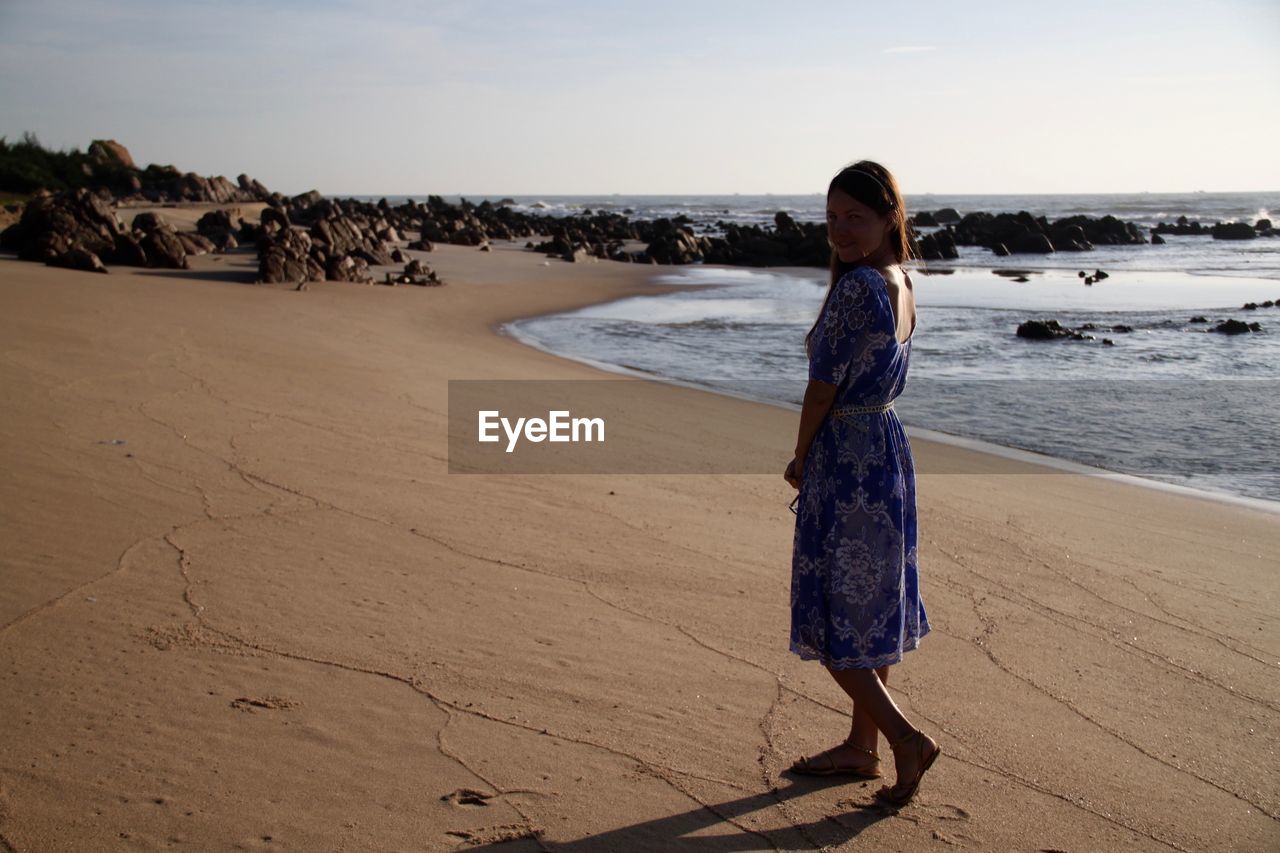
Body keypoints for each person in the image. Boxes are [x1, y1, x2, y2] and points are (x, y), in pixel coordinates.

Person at [783, 160, 940, 807]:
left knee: (836, 616)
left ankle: (903, 737)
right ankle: (861, 745)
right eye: (832, 218)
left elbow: (822, 388)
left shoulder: (856, 291)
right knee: (871, 606)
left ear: (887, 220)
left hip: (847, 454)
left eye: (856, 217)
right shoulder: (899, 280)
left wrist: (799, 455)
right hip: (885, 448)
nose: (841, 230)